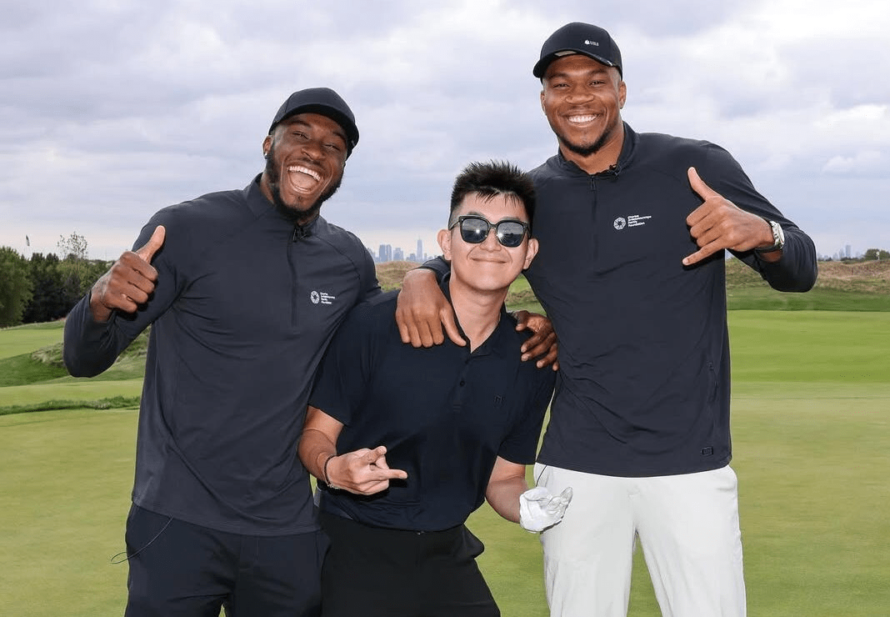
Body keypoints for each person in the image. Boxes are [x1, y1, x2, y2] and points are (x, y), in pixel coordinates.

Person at [396, 22, 818, 617]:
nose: (579, 97)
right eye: (560, 84)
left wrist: (764, 233)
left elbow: (800, 267)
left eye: (596, 81)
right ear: (544, 99)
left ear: (622, 90)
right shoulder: (534, 195)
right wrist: (419, 276)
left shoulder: (694, 166)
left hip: (689, 462)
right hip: (577, 464)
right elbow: (473, 253)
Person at [64, 87, 379, 617]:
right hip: (176, 520)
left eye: (333, 146)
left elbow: (378, 349)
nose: (314, 150)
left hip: (286, 528)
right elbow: (84, 359)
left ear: (342, 168)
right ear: (268, 144)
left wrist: (427, 278)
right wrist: (98, 301)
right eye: (299, 134)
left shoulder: (349, 260)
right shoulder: (186, 229)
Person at [299, 160, 572, 617]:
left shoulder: (533, 359)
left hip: (447, 553)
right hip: (348, 547)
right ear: (447, 242)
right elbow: (314, 434)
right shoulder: (373, 325)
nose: (491, 243)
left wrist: (526, 506)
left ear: (529, 252)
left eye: (510, 233)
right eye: (473, 229)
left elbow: (503, 478)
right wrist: (332, 469)